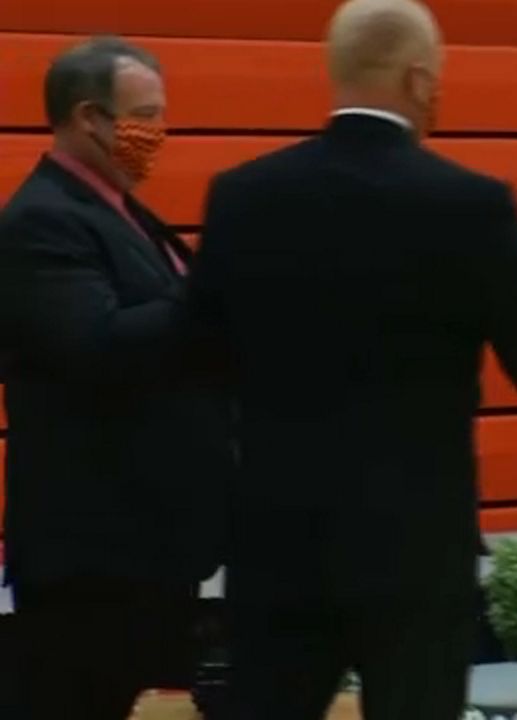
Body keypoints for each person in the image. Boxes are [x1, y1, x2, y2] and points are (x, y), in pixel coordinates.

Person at [187, 1, 517, 718]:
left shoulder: (243, 195)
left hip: (275, 536)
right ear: (420, 80)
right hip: (414, 544)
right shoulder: (470, 203)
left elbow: (203, 350)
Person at [0, 37, 229, 720]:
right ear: (89, 117)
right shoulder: (42, 221)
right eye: (144, 115)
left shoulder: (123, 213)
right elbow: (96, 346)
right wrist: (215, 284)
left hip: (147, 545)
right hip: (92, 554)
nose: (156, 134)